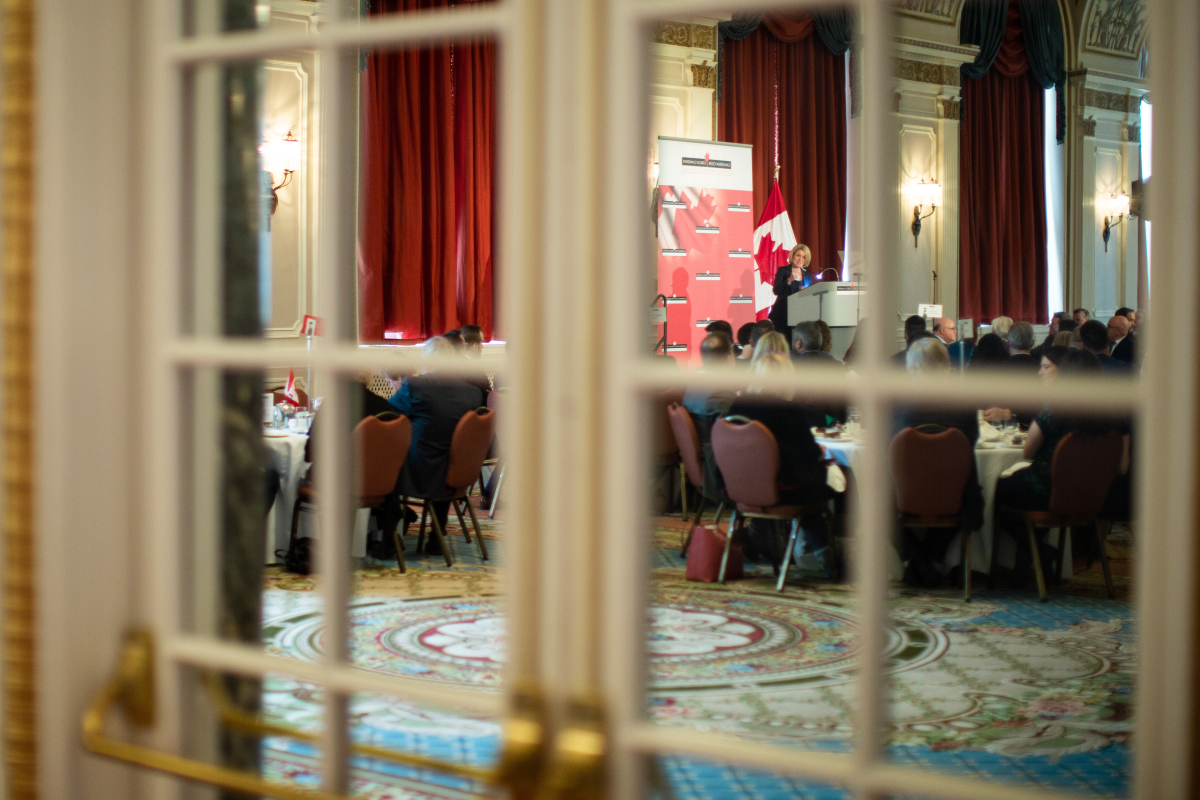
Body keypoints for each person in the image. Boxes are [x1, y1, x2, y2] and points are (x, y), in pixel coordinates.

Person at [384, 337, 491, 555]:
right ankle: (436, 535)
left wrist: (397, 388)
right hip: (459, 473)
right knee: (443, 452)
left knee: (383, 465)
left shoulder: (416, 386)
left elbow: (385, 416)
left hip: (420, 472)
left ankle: (387, 539)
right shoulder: (472, 393)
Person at [893, 337, 984, 586]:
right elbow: (972, 443)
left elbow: (889, 447)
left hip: (906, 492)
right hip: (955, 493)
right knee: (963, 498)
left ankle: (917, 562)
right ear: (946, 366)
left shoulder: (900, 407)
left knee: (873, 501)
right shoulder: (964, 405)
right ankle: (929, 561)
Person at [682, 333, 736, 505]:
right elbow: (733, 437)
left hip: (705, 465)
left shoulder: (693, 387)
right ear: (729, 359)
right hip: (720, 473)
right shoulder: (721, 394)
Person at [791, 320, 846, 426]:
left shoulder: (790, 367)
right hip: (832, 431)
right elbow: (843, 406)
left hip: (800, 431)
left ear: (798, 343)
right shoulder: (837, 366)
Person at [769, 244, 814, 344]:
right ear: (792, 256)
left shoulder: (807, 276)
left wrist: (805, 293)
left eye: (803, 257)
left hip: (800, 314)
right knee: (783, 343)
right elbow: (776, 290)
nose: (800, 259)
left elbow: (810, 297)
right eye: (798, 255)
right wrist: (789, 280)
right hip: (783, 313)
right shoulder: (783, 271)